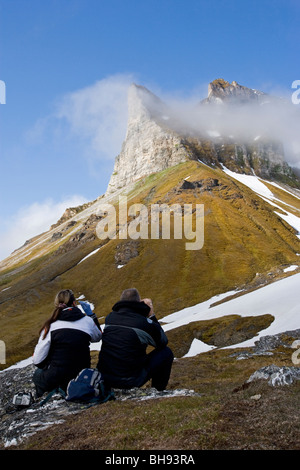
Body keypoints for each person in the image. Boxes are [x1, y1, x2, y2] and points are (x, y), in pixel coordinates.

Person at [97, 288, 174, 391]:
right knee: (166, 353)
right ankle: (158, 390)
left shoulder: (110, 318)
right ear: (138, 302)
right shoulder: (143, 323)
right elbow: (162, 341)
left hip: (105, 377)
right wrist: (151, 315)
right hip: (129, 380)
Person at [32, 289, 102, 397]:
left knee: (37, 375)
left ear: (57, 305)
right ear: (74, 303)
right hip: (81, 375)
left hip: (56, 376)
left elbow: (37, 360)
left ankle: (43, 397)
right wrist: (91, 315)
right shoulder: (87, 321)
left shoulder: (51, 325)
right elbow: (97, 337)